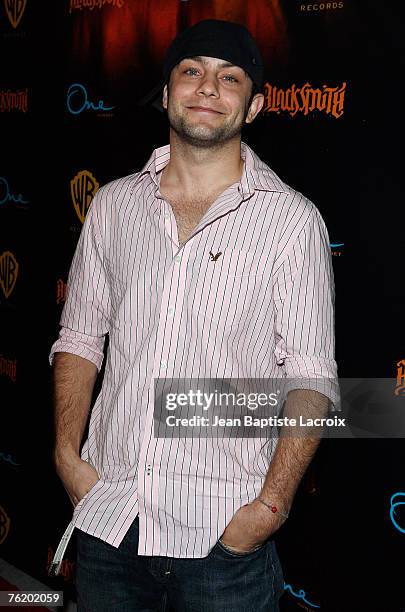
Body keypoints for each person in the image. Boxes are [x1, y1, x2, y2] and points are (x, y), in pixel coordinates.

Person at [48, 19, 339, 612]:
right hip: (111, 520)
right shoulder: (112, 206)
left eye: (229, 78)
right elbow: (80, 337)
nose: (208, 87)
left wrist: (269, 508)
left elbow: (311, 381)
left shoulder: (293, 223)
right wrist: (66, 457)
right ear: (165, 92)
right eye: (192, 71)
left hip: (224, 542)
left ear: (254, 107)